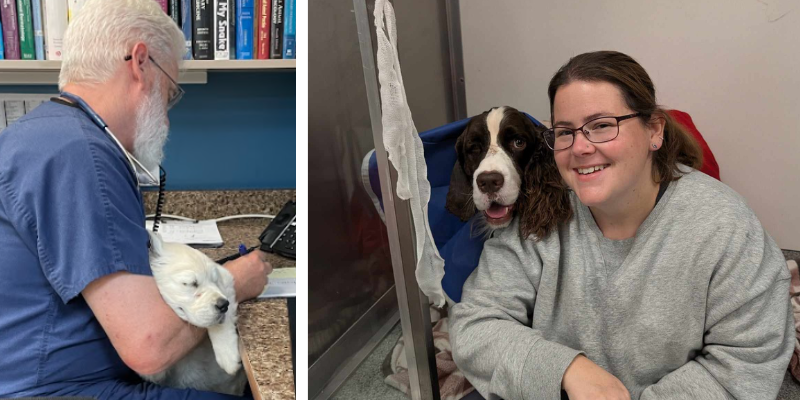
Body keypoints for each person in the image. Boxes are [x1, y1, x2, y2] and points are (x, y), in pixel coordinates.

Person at [450, 51, 794, 400]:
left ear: (654, 130)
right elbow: (476, 325)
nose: (580, 148)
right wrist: (568, 370)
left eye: (602, 125)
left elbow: (747, 361)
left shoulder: (726, 227)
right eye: (565, 131)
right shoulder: (539, 215)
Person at [0, 0, 272, 398]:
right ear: (140, 64)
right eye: (171, 91)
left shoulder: (42, 133)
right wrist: (235, 284)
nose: (166, 111)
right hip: (59, 388)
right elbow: (150, 347)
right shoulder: (80, 155)